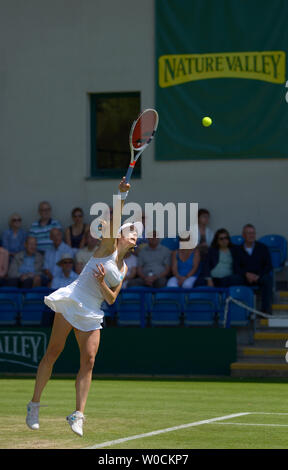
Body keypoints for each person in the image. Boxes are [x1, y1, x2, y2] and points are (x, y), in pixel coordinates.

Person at [26, 177, 142, 437]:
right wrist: (121, 195)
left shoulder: (124, 269)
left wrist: (102, 283)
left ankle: (78, 415)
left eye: (137, 234)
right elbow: (112, 222)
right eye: (132, 231)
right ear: (120, 236)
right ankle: (34, 404)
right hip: (74, 299)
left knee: (88, 361)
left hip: (92, 310)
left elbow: (111, 299)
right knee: (53, 352)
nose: (136, 236)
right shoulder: (107, 247)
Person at [234, 224, 273, 314]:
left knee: (268, 280)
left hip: (259, 276)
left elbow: (268, 265)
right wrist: (246, 274)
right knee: (232, 279)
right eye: (248, 233)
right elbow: (236, 267)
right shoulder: (237, 250)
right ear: (243, 235)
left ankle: (265, 312)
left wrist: (257, 276)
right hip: (244, 277)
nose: (251, 235)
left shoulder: (263, 248)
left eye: (253, 233)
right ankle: (235, 312)